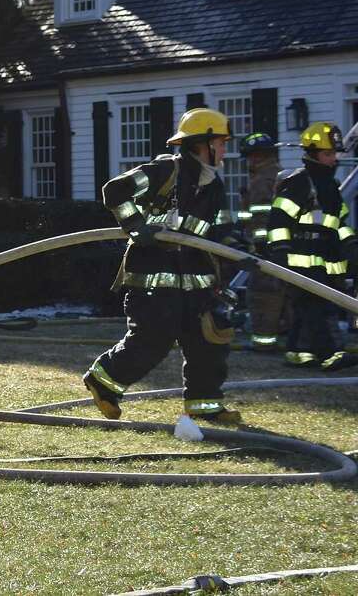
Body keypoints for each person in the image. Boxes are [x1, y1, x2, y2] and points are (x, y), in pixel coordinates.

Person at [84, 108, 243, 423]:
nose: (225, 150)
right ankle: (103, 380)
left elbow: (221, 229)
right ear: (202, 144)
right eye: (221, 143)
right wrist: (136, 226)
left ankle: (205, 404)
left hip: (197, 281)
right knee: (152, 340)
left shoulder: (214, 184)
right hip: (153, 279)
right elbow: (114, 191)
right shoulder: (164, 171)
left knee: (208, 340)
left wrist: (241, 249)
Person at [265, 122, 358, 371]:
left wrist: (351, 245)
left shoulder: (330, 186)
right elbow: (278, 221)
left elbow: (338, 223)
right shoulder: (299, 183)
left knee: (307, 308)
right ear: (313, 154)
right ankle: (330, 354)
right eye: (328, 154)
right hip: (299, 260)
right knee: (317, 306)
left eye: (334, 153)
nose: (333, 159)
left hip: (323, 260)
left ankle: (297, 351)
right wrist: (280, 252)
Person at [237, 132, 284, 350]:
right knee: (280, 292)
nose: (249, 161)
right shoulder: (277, 175)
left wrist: (259, 245)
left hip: (264, 250)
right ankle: (281, 335)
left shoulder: (263, 180)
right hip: (278, 246)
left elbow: (261, 216)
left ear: (257, 156)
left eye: (250, 156)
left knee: (261, 295)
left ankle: (263, 341)